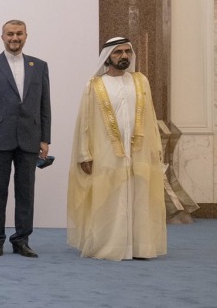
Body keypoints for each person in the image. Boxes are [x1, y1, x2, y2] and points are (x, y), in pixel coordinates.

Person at [66, 37, 166, 261]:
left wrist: (155, 149)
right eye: (118, 52)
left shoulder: (140, 81)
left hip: (138, 152)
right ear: (107, 57)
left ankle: (139, 247)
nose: (124, 56)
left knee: (139, 197)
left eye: (127, 52)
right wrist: (84, 154)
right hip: (106, 153)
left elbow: (150, 117)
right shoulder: (95, 85)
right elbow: (85, 123)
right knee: (110, 198)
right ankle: (109, 246)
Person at [0, 19, 50, 258]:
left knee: (26, 193)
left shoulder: (39, 66)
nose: (14, 38)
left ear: (26, 36)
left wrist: (45, 139)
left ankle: (21, 240)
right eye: (10, 34)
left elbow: (44, 105)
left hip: (30, 138)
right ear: (2, 37)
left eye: (19, 33)